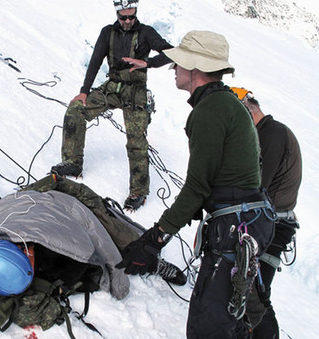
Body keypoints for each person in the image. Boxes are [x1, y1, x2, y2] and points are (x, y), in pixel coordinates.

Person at [115, 30, 275, 338]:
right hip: (245, 222)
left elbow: (198, 186)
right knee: (232, 319)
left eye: (180, 62)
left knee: (208, 326)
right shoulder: (228, 104)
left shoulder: (210, 110)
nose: (174, 68)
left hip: (234, 229)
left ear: (196, 68)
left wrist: (155, 237)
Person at [50, 0, 174, 210]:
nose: (127, 21)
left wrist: (148, 63)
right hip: (113, 86)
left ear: (136, 12)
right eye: (123, 17)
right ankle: (73, 163)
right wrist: (84, 91)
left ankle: (139, 190)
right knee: (76, 110)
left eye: (131, 16)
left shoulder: (146, 33)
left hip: (135, 90)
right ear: (117, 14)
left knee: (136, 138)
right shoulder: (108, 32)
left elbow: (171, 52)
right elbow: (96, 60)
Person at [231, 87, 302, 338]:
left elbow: (258, 186)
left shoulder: (272, 134)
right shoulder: (269, 133)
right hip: (271, 223)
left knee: (255, 296)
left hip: (273, 226)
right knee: (253, 292)